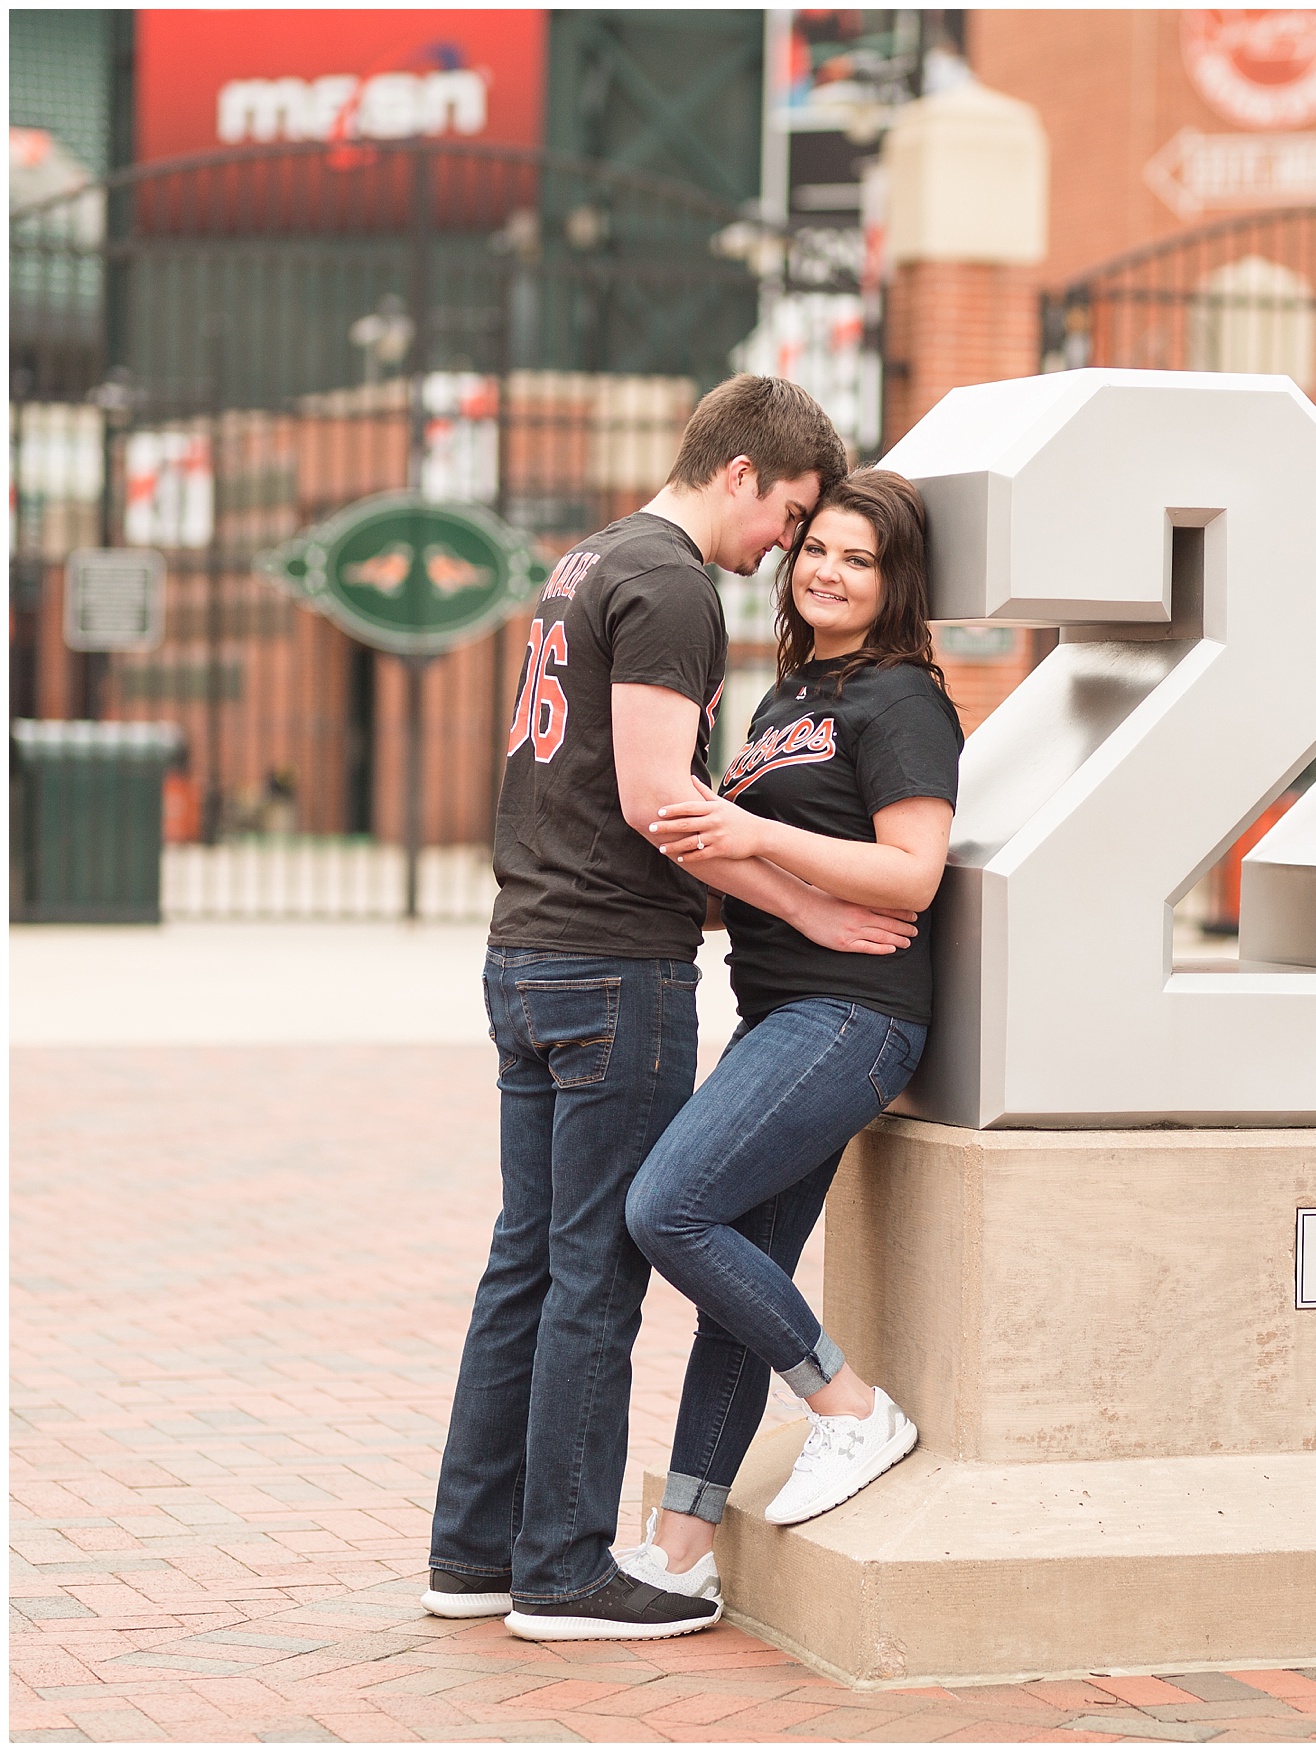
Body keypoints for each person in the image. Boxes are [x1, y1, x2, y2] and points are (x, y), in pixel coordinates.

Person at [423, 377, 918, 1644]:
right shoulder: (672, 583)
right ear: (743, 473)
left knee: (526, 1261)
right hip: (605, 968)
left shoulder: (585, 563)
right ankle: (566, 1570)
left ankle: (474, 1551)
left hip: (527, 950)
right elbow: (660, 801)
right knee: (596, 1266)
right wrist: (806, 914)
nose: (783, 550)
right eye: (792, 516)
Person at [615, 469, 962, 1600]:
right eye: (818, 547)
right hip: (779, 1012)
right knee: (739, 1274)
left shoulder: (901, 700)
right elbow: (750, 851)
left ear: (895, 582)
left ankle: (848, 1407)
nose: (826, 570)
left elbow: (912, 872)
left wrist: (746, 827)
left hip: (851, 1017)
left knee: (667, 1209)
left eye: (859, 560)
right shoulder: (786, 701)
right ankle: (681, 1552)